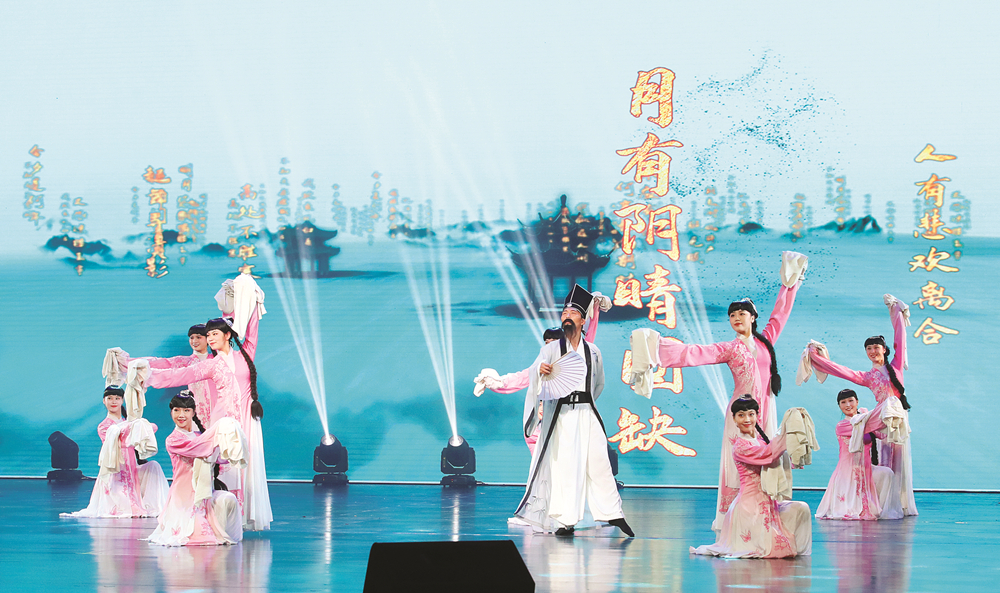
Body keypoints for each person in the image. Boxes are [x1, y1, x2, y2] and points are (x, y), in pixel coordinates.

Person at [631, 251, 808, 530]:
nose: (736, 318)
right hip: (740, 414)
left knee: (767, 456)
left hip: (766, 407)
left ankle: (765, 511)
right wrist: (655, 346)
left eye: (742, 314)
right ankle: (734, 516)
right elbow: (694, 353)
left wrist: (790, 283)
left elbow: (780, 313)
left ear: (753, 318)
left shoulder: (766, 341)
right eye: (732, 315)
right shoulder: (729, 348)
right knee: (739, 464)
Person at [136, 273, 272, 531]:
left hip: (247, 419)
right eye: (207, 335)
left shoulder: (246, 354)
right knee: (225, 467)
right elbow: (180, 375)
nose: (209, 339)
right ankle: (224, 516)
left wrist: (250, 294)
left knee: (248, 466)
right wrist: (148, 376)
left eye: (214, 334)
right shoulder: (211, 365)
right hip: (224, 422)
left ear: (228, 335)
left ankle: (243, 516)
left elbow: (253, 326)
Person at [513, 285, 633, 537]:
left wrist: (584, 401)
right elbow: (534, 376)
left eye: (573, 313)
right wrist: (540, 372)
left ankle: (613, 513)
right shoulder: (549, 350)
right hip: (561, 414)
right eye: (564, 313)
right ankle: (565, 521)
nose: (567, 316)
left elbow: (598, 384)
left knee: (600, 462)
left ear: (583, 320)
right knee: (565, 467)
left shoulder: (593, 351)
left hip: (587, 412)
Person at [808, 294, 916, 518]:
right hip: (882, 421)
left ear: (884, 349)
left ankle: (901, 504)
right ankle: (882, 504)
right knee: (885, 461)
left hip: (897, 418)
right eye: (869, 349)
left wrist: (895, 310)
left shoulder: (895, 367)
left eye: (876, 347)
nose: (873, 351)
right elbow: (842, 371)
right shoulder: (867, 377)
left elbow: (900, 338)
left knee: (900, 463)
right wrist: (817, 359)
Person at [691, 396, 811, 558]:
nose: (747, 419)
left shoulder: (760, 442)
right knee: (777, 549)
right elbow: (769, 455)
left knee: (801, 508)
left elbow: (775, 456)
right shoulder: (740, 447)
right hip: (750, 508)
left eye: (751, 414)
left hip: (768, 504)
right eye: (741, 415)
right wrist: (788, 429)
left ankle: (800, 550)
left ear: (757, 416)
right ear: (734, 419)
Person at [147, 393, 243, 546]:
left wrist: (232, 446)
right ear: (171, 412)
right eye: (177, 410)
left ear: (193, 413)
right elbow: (200, 449)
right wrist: (218, 430)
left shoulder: (200, 436)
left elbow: (219, 458)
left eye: (186, 410)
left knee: (229, 499)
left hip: (204, 491)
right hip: (184, 496)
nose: (181, 415)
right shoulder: (173, 440)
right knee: (199, 536)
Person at [61, 386, 168, 518]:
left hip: (130, 469)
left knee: (154, 466)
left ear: (122, 400)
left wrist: (138, 424)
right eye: (110, 398)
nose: (113, 401)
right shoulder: (104, 426)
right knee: (124, 504)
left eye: (117, 398)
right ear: (104, 401)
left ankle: (155, 505)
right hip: (115, 471)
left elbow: (152, 428)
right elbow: (121, 440)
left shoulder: (128, 423)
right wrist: (135, 426)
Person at [474, 327, 563, 453]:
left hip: (564, 426)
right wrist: (496, 382)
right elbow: (521, 378)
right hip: (540, 429)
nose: (549, 346)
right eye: (547, 343)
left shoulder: (572, 366)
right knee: (540, 462)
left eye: (554, 342)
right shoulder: (539, 366)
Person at [815, 389, 893, 520]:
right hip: (848, 471)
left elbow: (882, 434)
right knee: (850, 507)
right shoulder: (842, 425)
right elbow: (863, 427)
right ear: (839, 406)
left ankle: (883, 506)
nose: (847, 405)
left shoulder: (865, 421)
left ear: (857, 402)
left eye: (851, 400)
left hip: (865, 468)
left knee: (887, 473)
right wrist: (871, 416)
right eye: (843, 402)